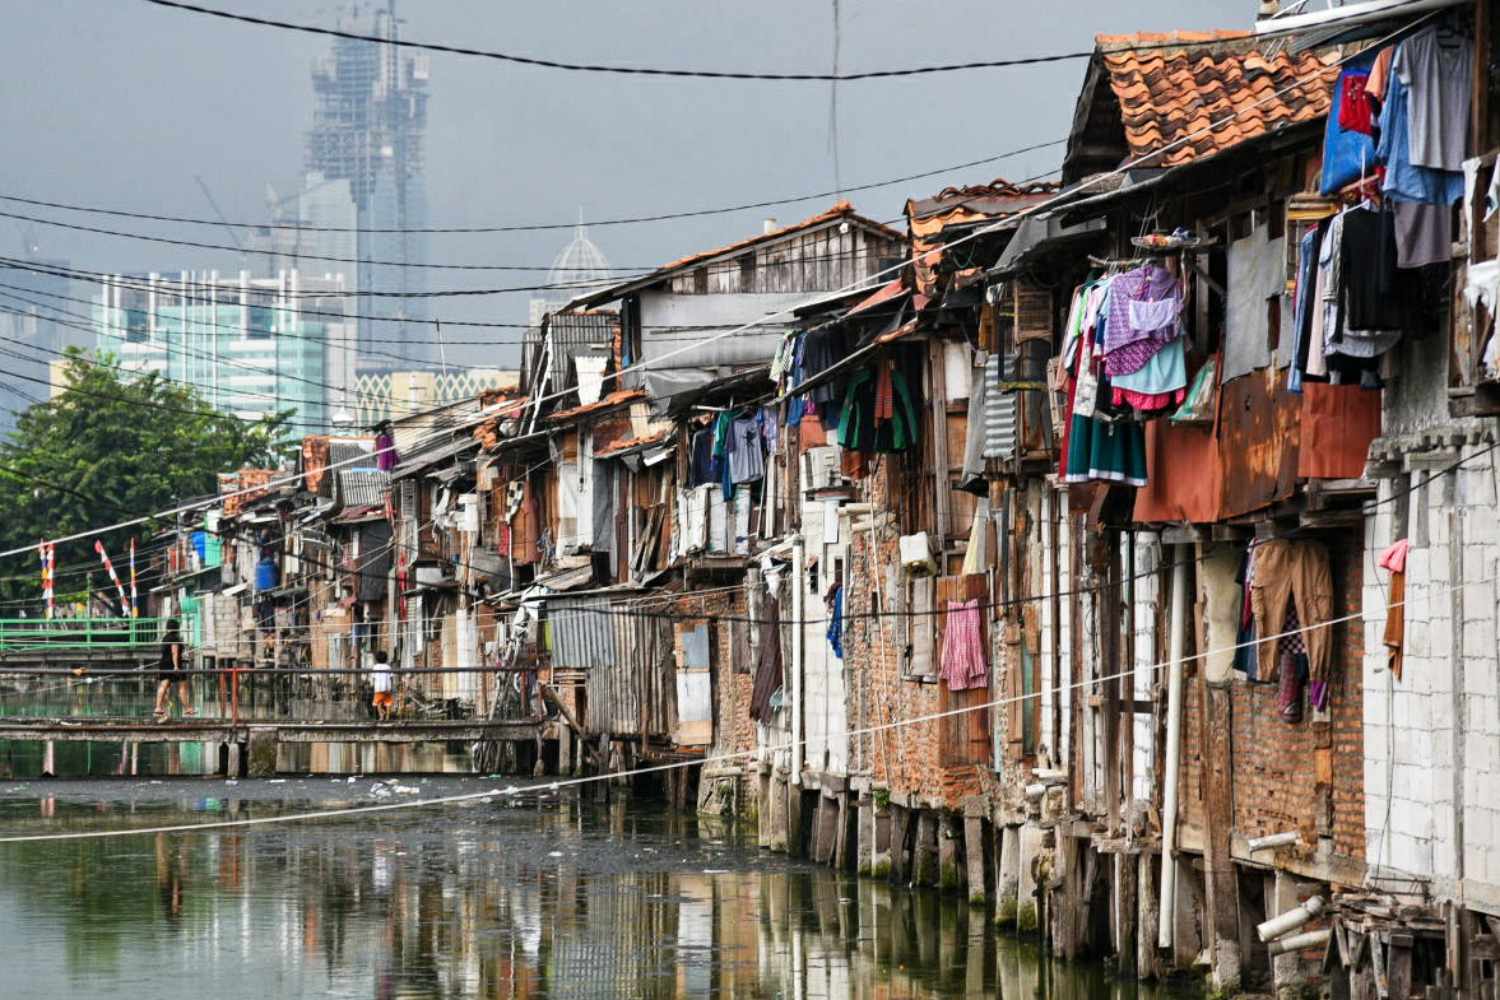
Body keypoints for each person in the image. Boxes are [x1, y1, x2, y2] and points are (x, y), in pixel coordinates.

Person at [152, 618, 194, 721]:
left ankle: (158, 707)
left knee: (164, 685)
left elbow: (169, 652)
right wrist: (176, 666)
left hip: (164, 663)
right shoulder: (175, 638)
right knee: (183, 686)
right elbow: (174, 653)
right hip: (173, 664)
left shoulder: (165, 638)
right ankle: (187, 708)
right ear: (177, 628)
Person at [370, 649, 394, 721]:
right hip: (387, 687)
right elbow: (391, 676)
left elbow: (373, 677)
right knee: (388, 702)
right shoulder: (388, 667)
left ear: (377, 659)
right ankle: (388, 717)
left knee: (378, 703)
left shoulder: (375, 667)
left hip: (379, 688)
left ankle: (381, 716)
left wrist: (372, 684)